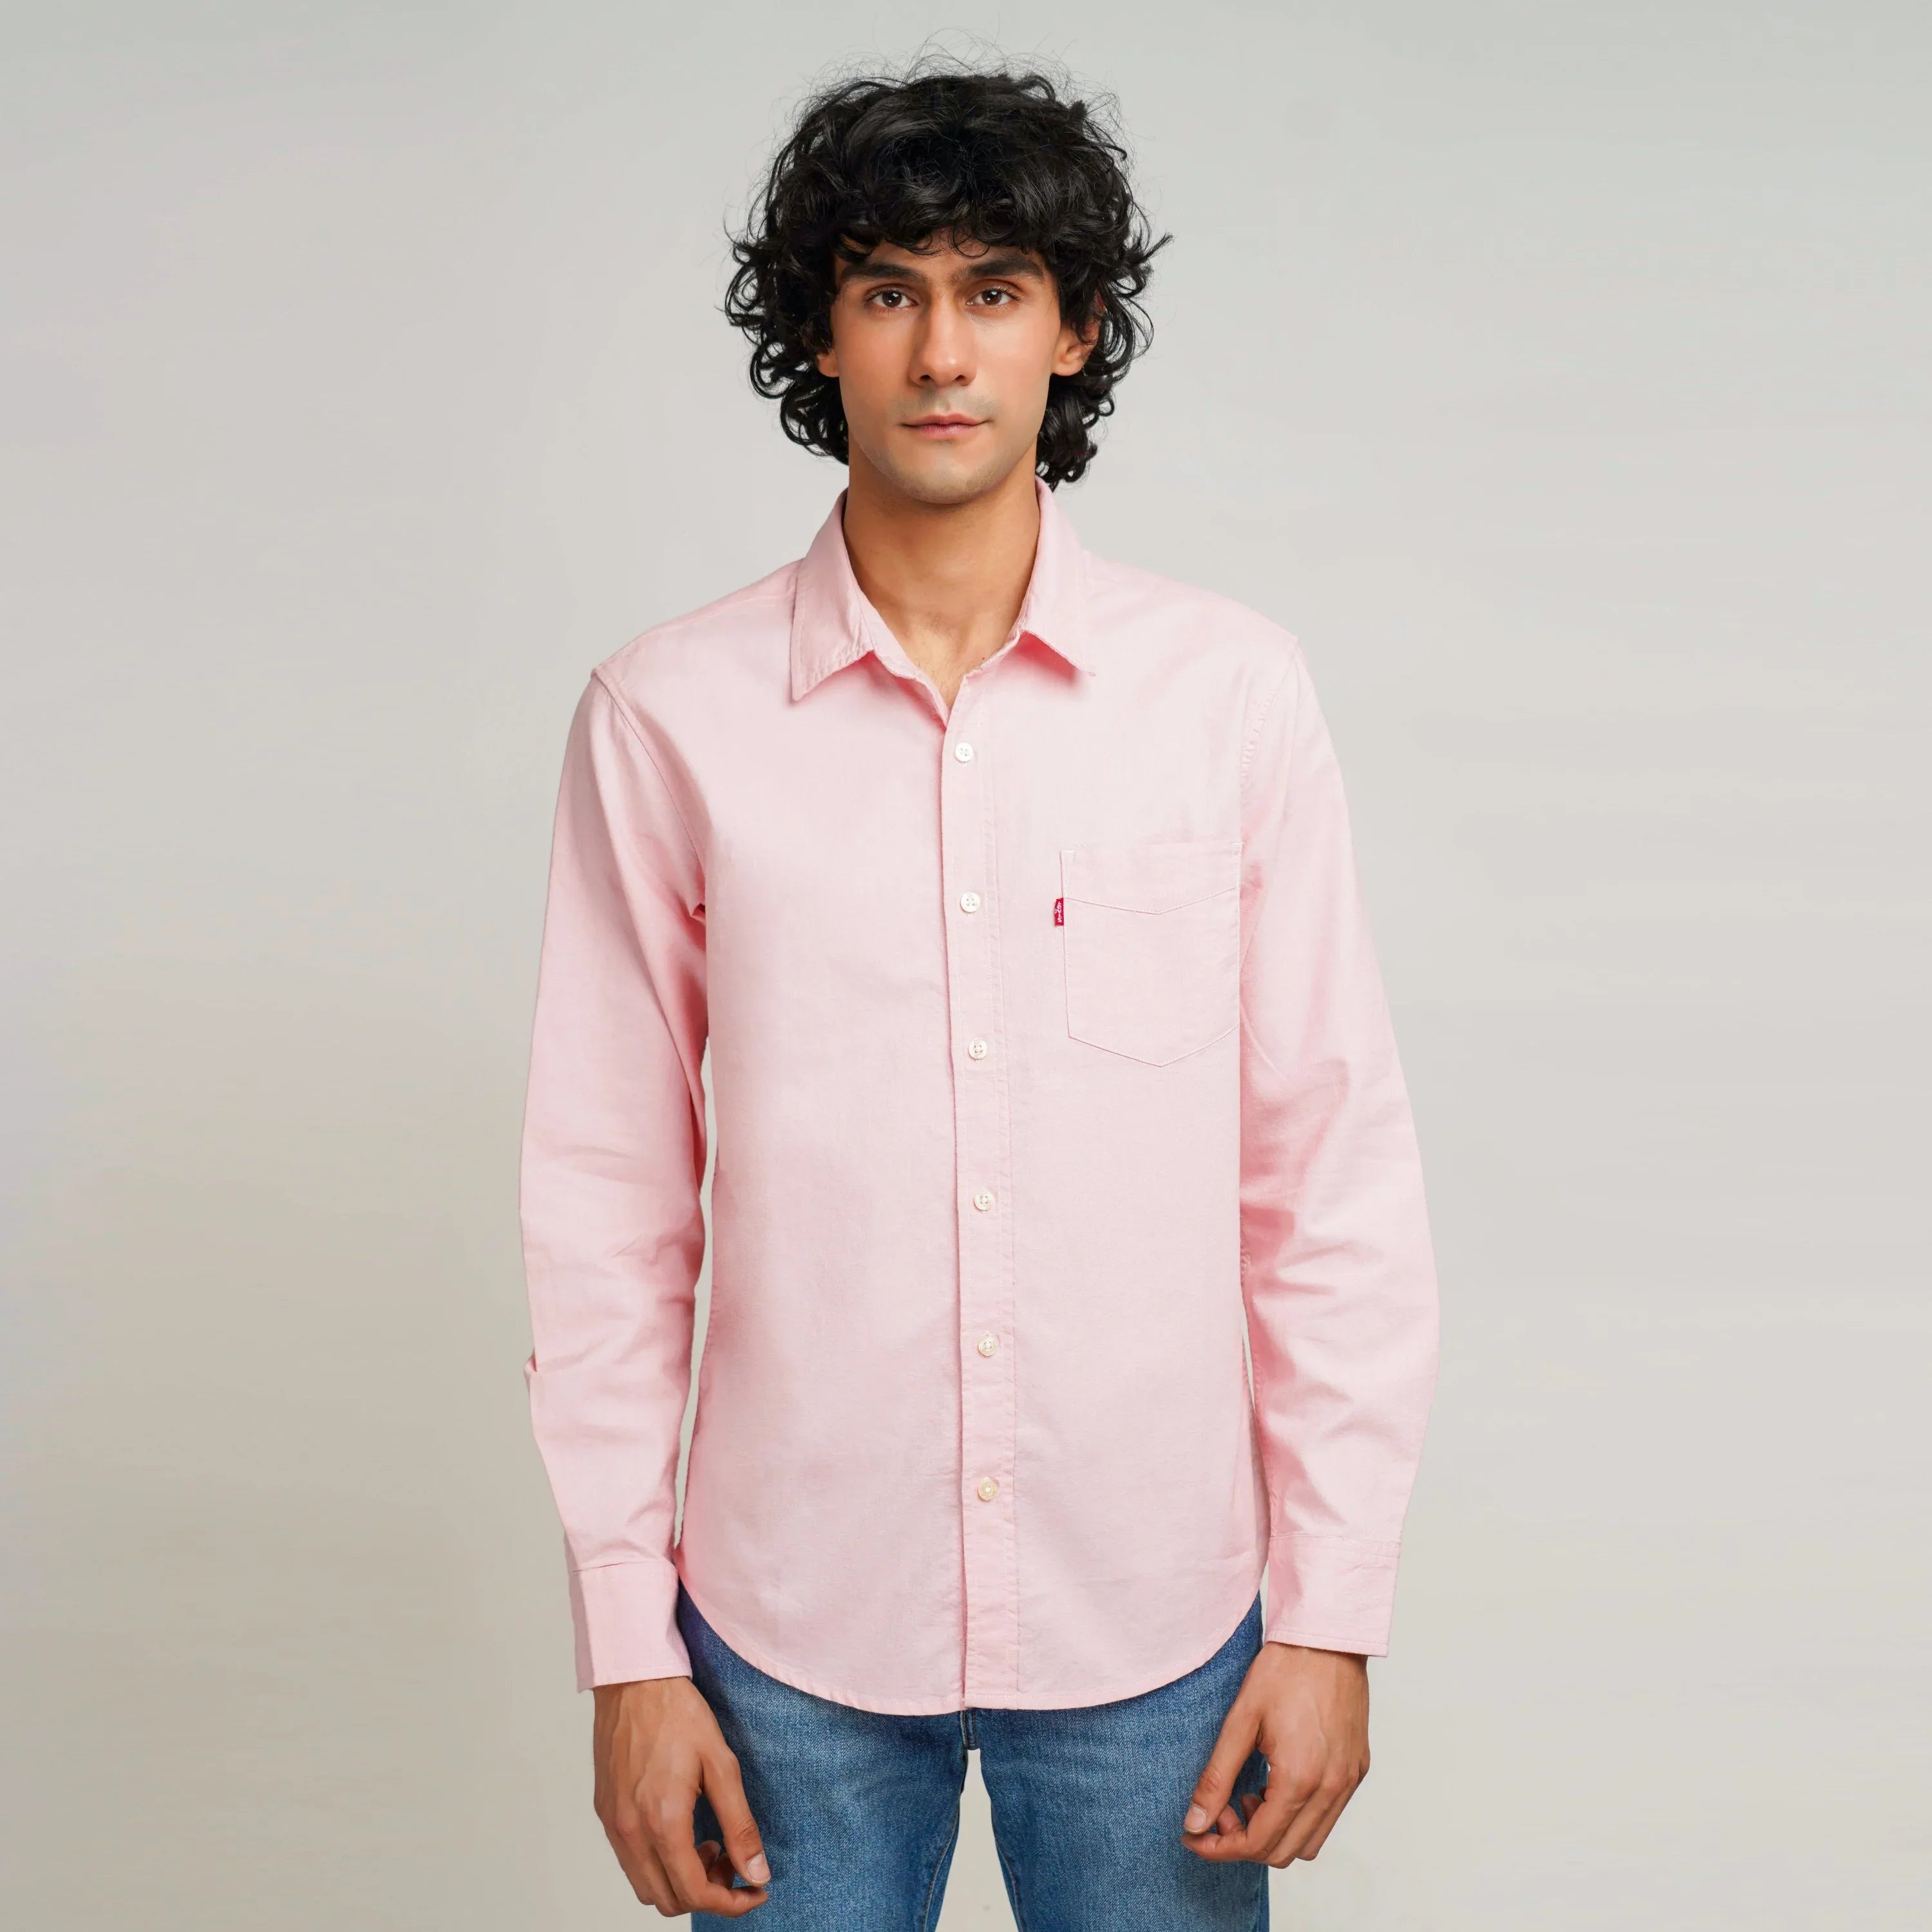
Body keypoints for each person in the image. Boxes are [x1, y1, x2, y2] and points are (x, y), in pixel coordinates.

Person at [516, 59, 1439, 1929]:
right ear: (823, 336)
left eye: (996, 290)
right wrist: (628, 1650)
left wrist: (1333, 1616)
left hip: (1162, 1627)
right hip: (781, 1639)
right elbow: (606, 1212)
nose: (943, 351)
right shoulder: (667, 718)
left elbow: (1325, 1174)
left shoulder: (1231, 698)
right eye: (889, 290)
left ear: (1073, 331)